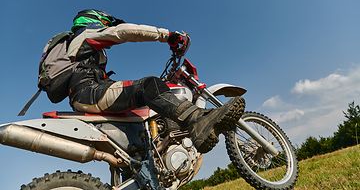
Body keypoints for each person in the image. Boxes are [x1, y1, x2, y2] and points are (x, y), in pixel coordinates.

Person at [67, 9, 245, 153]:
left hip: (87, 94)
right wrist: (168, 36)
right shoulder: (84, 35)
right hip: (89, 93)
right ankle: (196, 120)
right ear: (94, 20)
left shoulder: (80, 49)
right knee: (148, 85)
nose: (106, 27)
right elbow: (125, 32)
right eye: (105, 24)